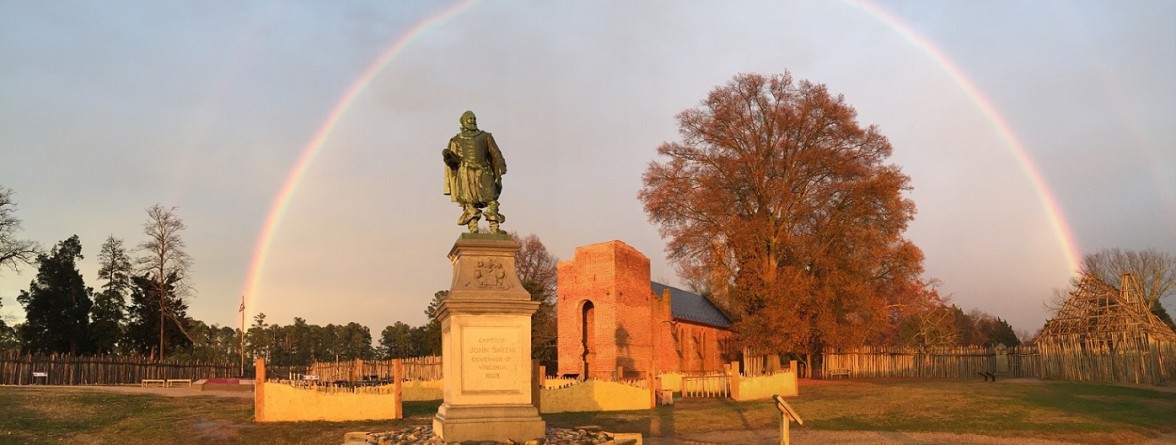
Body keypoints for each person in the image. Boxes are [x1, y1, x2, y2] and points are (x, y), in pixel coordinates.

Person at [443, 110, 506, 233]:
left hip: (483, 171)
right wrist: (448, 158)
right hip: (465, 173)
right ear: (463, 122)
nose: (472, 121)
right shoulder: (456, 140)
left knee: (491, 198)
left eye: (474, 118)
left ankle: (494, 227)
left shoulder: (485, 136)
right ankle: (473, 228)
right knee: (469, 202)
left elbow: (496, 153)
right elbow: (454, 164)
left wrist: (501, 165)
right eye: (469, 118)